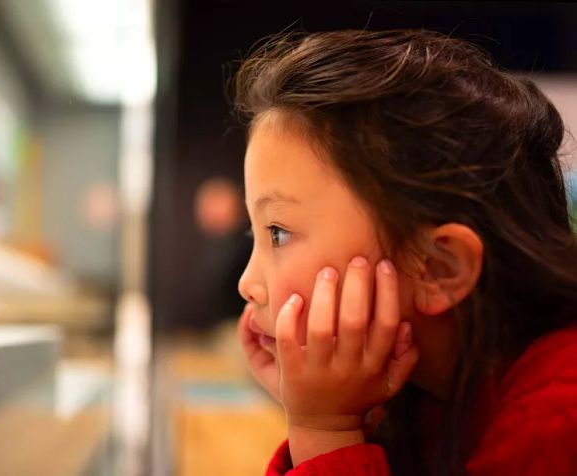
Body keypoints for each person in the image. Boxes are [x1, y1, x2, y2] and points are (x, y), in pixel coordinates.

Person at [233, 30, 577, 475]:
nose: (247, 283)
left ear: (438, 268)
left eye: (278, 233)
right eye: (254, 233)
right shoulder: (424, 396)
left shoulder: (557, 419)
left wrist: (326, 431)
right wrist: (338, 410)